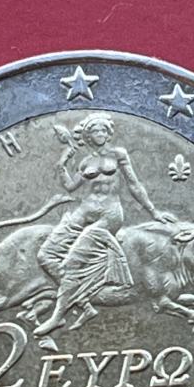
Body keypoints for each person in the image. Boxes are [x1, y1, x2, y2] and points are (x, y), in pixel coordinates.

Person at [35, 112, 168, 336]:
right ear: (88, 135)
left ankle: (57, 317)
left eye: (103, 130)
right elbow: (71, 186)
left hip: (109, 214)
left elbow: (134, 185)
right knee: (45, 255)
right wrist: (62, 164)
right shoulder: (86, 162)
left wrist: (153, 211)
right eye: (94, 130)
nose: (99, 134)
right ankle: (84, 303)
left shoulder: (118, 154)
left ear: (108, 133)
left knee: (71, 262)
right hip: (84, 210)